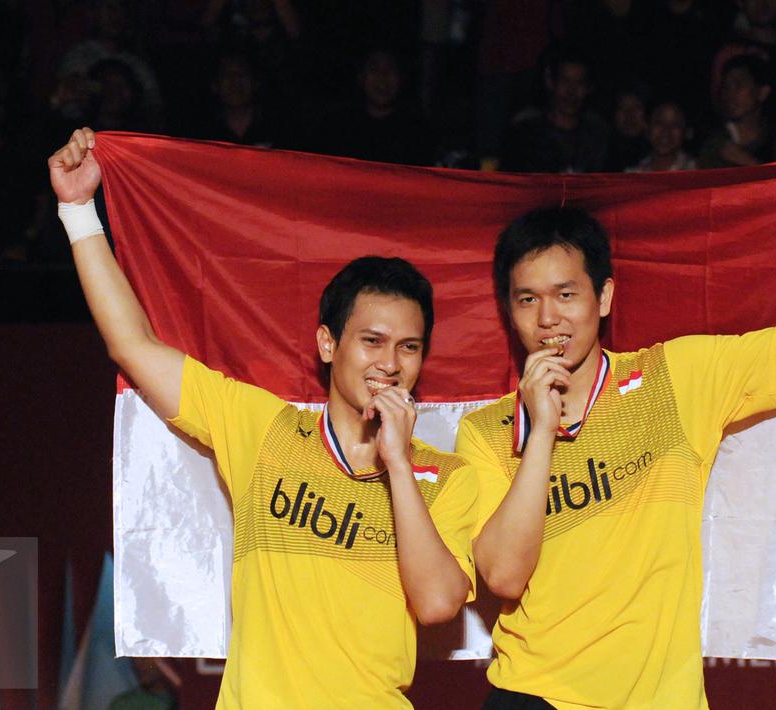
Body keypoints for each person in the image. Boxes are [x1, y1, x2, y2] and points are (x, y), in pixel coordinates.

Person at [457, 153, 776, 708]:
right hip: (533, 696)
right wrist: (539, 432)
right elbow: (505, 579)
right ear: (508, 312)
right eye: (527, 300)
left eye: (566, 295)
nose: (549, 320)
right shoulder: (487, 433)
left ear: (603, 297)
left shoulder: (672, 380)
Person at [49, 128, 478, 708]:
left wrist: (398, 466)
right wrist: (78, 211)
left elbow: (436, 604)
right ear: (328, 344)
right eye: (371, 341)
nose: (390, 363)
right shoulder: (265, 430)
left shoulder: (447, 476)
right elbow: (133, 345)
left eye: (409, 346)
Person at [502, 49, 609, 174]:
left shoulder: (598, 135)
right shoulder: (526, 135)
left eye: (579, 82)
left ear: (589, 87)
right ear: (550, 81)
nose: (571, 92)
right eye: (565, 81)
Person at [698, 54, 776, 168]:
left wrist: (750, 162)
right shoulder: (714, 140)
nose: (730, 94)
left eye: (738, 85)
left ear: (762, 92)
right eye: (726, 87)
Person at [626, 100, 695, 172]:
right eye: (658, 122)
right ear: (647, 127)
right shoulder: (632, 173)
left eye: (675, 124)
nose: (666, 131)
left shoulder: (697, 171)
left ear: (687, 132)